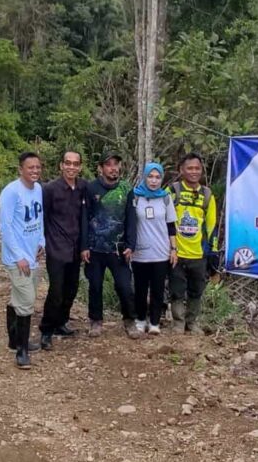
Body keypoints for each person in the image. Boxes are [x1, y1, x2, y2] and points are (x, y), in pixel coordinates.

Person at [0, 151, 45, 368]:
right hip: (18, 259)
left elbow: (39, 218)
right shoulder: (11, 192)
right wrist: (19, 257)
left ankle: (13, 340)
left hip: (33, 255)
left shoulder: (38, 190)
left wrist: (41, 242)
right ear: (21, 169)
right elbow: (5, 227)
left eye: (37, 167)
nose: (34, 171)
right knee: (26, 302)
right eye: (30, 167)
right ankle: (22, 352)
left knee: (19, 297)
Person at [82, 154, 137, 338]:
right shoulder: (91, 188)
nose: (113, 168)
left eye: (116, 164)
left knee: (124, 286)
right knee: (95, 285)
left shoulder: (127, 189)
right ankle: (95, 321)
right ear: (101, 168)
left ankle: (129, 321)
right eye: (108, 165)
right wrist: (84, 246)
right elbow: (84, 218)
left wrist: (131, 244)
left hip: (118, 248)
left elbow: (131, 218)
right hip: (95, 248)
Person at [122, 163, 178, 336]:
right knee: (139, 288)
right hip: (140, 252)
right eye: (150, 177)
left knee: (158, 289)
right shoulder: (135, 197)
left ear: (161, 179)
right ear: (144, 177)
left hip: (161, 251)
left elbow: (171, 225)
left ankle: (154, 322)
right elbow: (129, 223)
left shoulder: (165, 198)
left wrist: (174, 249)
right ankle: (140, 319)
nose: (154, 181)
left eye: (157, 177)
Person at [39, 150, 86, 350]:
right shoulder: (49, 189)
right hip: (56, 247)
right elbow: (43, 217)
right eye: (68, 163)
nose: (71, 167)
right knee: (56, 290)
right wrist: (42, 242)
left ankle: (61, 322)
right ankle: (46, 330)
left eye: (76, 164)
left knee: (71, 288)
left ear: (80, 167)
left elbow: (84, 217)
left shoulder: (83, 187)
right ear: (61, 165)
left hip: (75, 248)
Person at [169, 153, 222, 334]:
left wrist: (213, 253)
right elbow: (165, 222)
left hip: (199, 254)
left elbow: (211, 226)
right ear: (181, 170)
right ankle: (177, 323)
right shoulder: (173, 191)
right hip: (177, 252)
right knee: (176, 291)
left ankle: (191, 324)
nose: (193, 172)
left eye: (197, 168)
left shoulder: (207, 195)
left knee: (196, 290)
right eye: (189, 168)